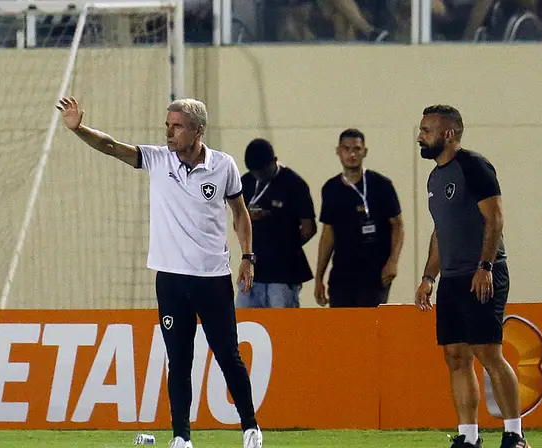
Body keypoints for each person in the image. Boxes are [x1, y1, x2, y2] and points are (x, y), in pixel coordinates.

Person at [56, 97, 263, 448]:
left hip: (212, 278)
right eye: (167, 125)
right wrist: (79, 129)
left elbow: (240, 213)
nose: (168, 133)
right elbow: (111, 147)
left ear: (198, 130)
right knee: (179, 360)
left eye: (177, 126)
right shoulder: (156, 159)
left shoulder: (223, 165)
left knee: (228, 355)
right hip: (170, 279)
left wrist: (248, 256)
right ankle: (181, 437)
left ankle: (251, 429)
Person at [414, 105, 529, 448]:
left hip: (482, 275)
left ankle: (514, 435)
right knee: (455, 356)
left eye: (427, 130)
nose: (421, 136)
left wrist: (485, 267)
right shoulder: (435, 177)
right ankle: (468, 437)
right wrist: (428, 277)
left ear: (448, 134)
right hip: (450, 278)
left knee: (488, 352)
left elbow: (494, 219)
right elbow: (440, 232)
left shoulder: (474, 166)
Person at [314, 128, 404, 308]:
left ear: (365, 151)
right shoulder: (331, 188)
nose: (352, 154)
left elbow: (397, 226)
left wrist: (393, 262)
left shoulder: (381, 185)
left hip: (374, 273)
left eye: (356, 149)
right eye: (346, 149)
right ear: (338, 151)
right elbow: (327, 234)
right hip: (342, 273)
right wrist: (319, 277)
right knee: (343, 329)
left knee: (368, 327)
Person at [237, 138, 317, 308]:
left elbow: (308, 228)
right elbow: (238, 221)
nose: (259, 176)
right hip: (253, 266)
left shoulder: (294, 184)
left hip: (283, 271)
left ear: (274, 161)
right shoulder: (246, 182)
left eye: (263, 172)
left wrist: (286, 245)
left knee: (281, 322)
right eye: (255, 173)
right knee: (244, 320)